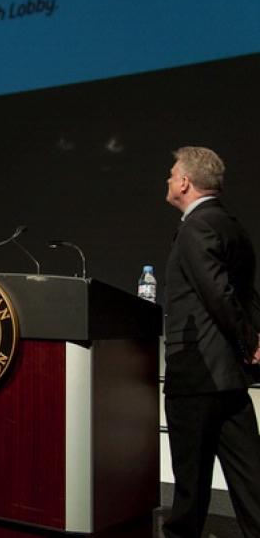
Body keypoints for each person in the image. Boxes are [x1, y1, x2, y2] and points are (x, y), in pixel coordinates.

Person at [162, 146, 260, 538]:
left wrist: (248, 337)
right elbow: (245, 294)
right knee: (251, 481)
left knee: (190, 488)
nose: (168, 180)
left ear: (185, 182)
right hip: (230, 377)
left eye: (171, 174)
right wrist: (251, 340)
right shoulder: (231, 224)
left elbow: (217, 294)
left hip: (197, 375)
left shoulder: (195, 227)